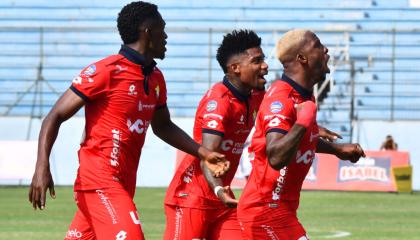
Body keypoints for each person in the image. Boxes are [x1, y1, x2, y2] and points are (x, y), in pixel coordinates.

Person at [28, 2, 228, 239]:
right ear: (147, 31)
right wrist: (42, 167)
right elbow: (54, 116)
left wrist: (203, 152)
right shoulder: (106, 71)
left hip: (123, 185)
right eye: (162, 29)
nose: (166, 36)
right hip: (99, 182)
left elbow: (162, 126)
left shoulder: (155, 78)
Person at [237, 29, 366, 240]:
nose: (325, 49)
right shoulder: (281, 99)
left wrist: (336, 150)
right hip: (264, 213)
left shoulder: (303, 96)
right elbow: (276, 156)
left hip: (282, 212)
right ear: (302, 58)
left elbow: (299, 139)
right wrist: (304, 121)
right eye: (317, 45)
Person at [163, 30, 268, 240]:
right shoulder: (219, 102)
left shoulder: (256, 95)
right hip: (191, 200)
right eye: (257, 61)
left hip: (222, 201)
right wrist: (219, 190)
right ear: (235, 68)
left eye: (263, 59)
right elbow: (208, 157)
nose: (265, 66)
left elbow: (282, 119)